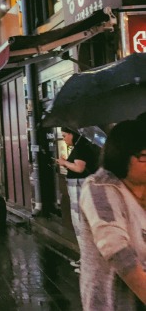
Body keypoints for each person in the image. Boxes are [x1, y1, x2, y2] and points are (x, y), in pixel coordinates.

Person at [79, 119, 146, 310]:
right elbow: (118, 252)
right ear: (123, 155)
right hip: (113, 302)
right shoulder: (100, 189)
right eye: (144, 156)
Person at [55, 126, 96, 273]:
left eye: (65, 136)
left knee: (80, 224)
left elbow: (79, 168)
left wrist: (64, 163)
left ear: (73, 134)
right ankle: (84, 259)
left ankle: (87, 262)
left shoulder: (81, 147)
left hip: (79, 187)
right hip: (78, 187)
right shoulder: (81, 146)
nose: (64, 139)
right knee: (79, 224)